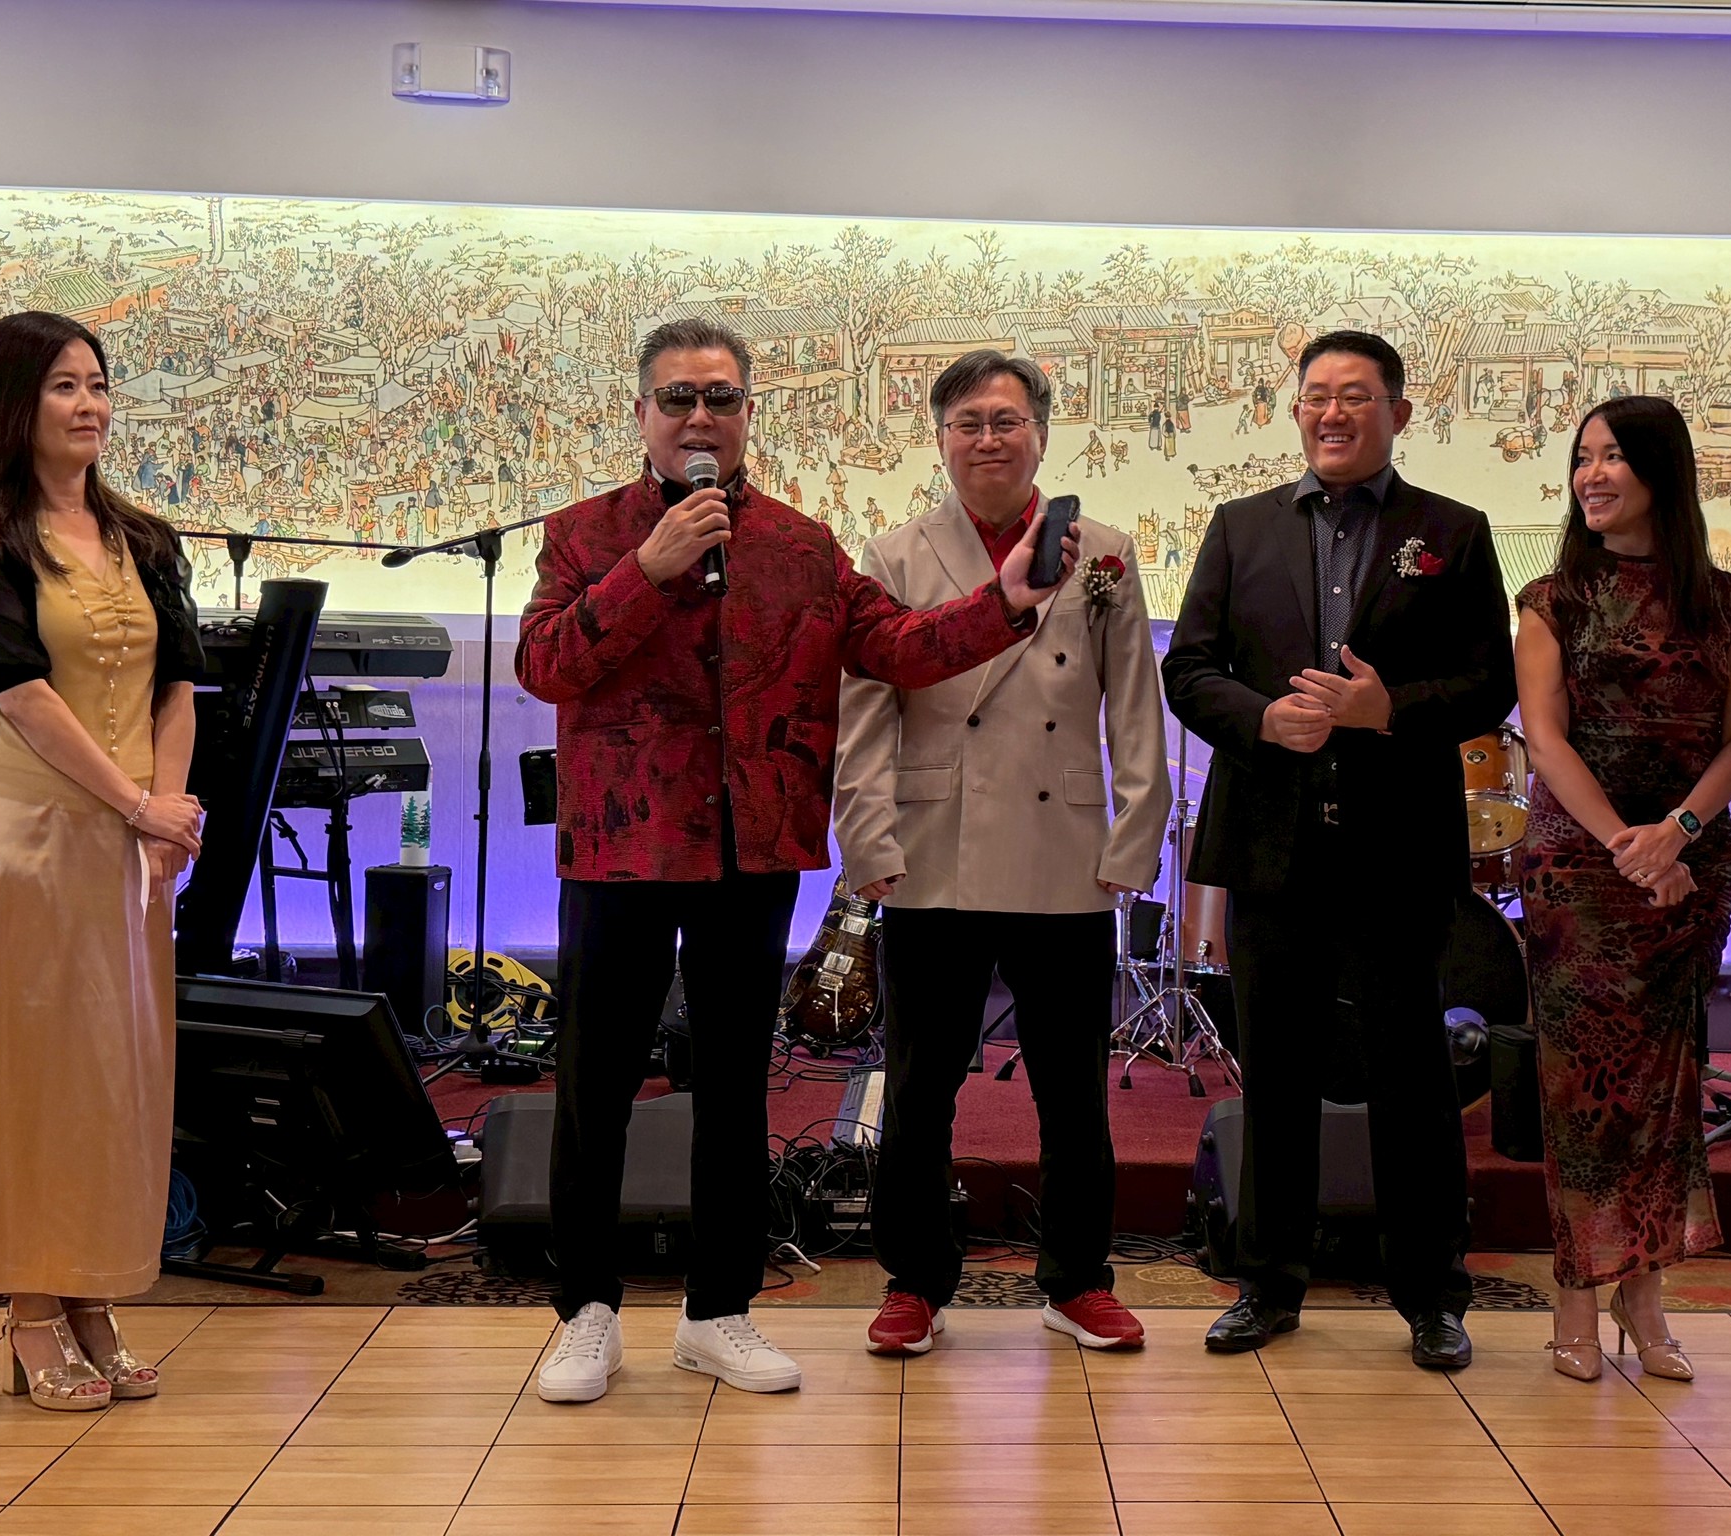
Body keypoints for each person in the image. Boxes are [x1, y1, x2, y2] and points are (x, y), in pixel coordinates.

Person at [516, 319, 1076, 1402]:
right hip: (624, 844)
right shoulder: (585, 533)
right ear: (641, 414)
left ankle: (717, 1311)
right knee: (594, 1083)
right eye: (678, 398)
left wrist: (1002, 604)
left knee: (734, 1086)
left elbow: (897, 647)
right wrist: (647, 569)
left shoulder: (801, 545)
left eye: (721, 399)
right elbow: (546, 665)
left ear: (747, 416)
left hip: (753, 844)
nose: (699, 419)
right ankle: (586, 1311)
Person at [1162, 330, 1515, 1370]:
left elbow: (1488, 683)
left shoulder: (1451, 530)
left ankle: (1432, 1294)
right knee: (1275, 1071)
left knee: (1411, 1074)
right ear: (1296, 413)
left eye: (1355, 396)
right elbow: (1190, 669)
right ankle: (1267, 1283)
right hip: (1271, 846)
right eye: (1315, 395)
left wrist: (1384, 709)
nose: (1331, 413)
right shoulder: (1240, 527)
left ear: (1398, 413)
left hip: (1396, 849)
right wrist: (1263, 720)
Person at [835, 351, 1171, 1355]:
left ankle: (1077, 1280)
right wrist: (865, 832)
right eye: (968, 422)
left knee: (1072, 1090)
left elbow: (1135, 706)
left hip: (1063, 847)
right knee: (919, 1085)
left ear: (1041, 435)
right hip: (933, 845)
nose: (988, 438)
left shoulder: (1102, 552)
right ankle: (913, 1282)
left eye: (1006, 420)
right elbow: (866, 708)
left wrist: (1136, 834)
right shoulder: (893, 553)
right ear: (940, 440)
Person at [0, 310, 206, 1411]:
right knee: (35, 1070)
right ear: (14, 404)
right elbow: (20, 694)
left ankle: (95, 1293)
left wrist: (166, 814)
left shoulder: (145, 536)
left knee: (118, 1070)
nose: (89, 404)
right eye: (63, 386)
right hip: (29, 828)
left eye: (97, 383)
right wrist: (139, 804)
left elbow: (178, 685)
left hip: (132, 834)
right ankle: (32, 1308)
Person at [1511, 396, 1731, 1384]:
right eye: (1582, 458)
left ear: (1661, 469)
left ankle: (1642, 1291)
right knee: (1581, 1093)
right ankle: (1576, 1292)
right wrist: (1625, 842)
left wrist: (1677, 833)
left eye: (1612, 455)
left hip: (1687, 866)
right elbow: (1543, 738)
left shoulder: (1723, 601)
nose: (1592, 474)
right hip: (1580, 867)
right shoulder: (1551, 598)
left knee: (1665, 1089)